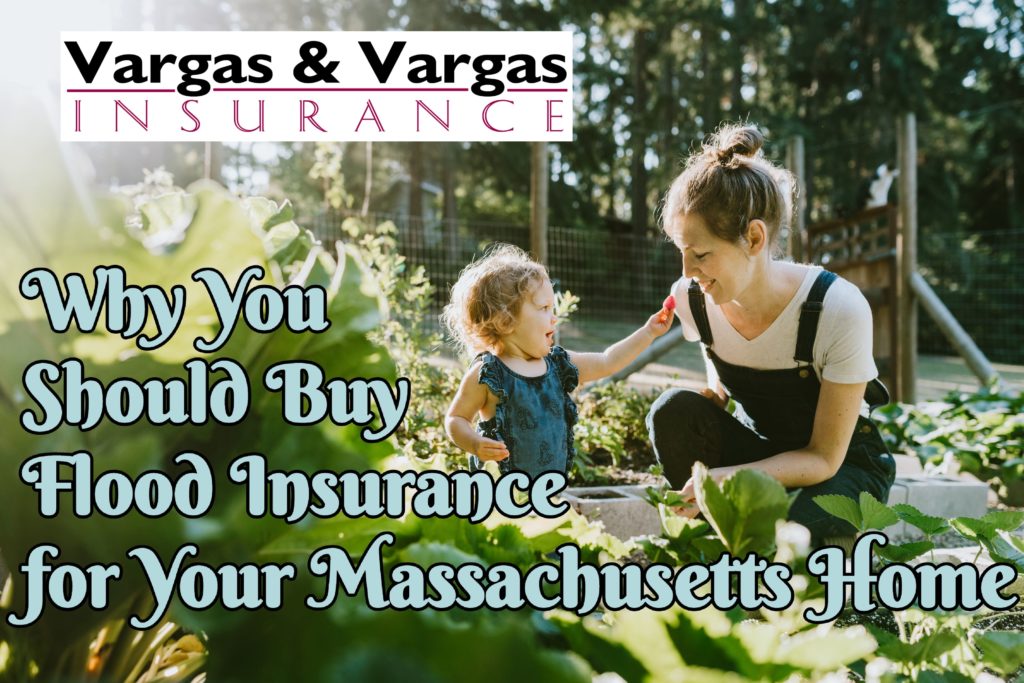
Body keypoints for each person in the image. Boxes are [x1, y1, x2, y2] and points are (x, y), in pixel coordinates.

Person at [648, 123, 896, 545]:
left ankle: (827, 543)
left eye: (701, 254)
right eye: (681, 252)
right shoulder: (692, 297)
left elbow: (823, 457)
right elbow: (717, 353)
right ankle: (718, 539)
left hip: (839, 468)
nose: (687, 271)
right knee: (672, 411)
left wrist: (729, 477)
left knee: (786, 542)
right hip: (765, 453)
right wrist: (717, 392)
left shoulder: (837, 307)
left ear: (754, 237)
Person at [443, 244, 673, 477]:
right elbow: (456, 418)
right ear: (505, 321)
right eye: (544, 308)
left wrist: (649, 332)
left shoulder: (558, 364)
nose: (554, 318)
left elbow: (607, 361)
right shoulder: (488, 374)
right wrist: (474, 443)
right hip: (501, 492)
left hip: (549, 490)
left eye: (553, 308)